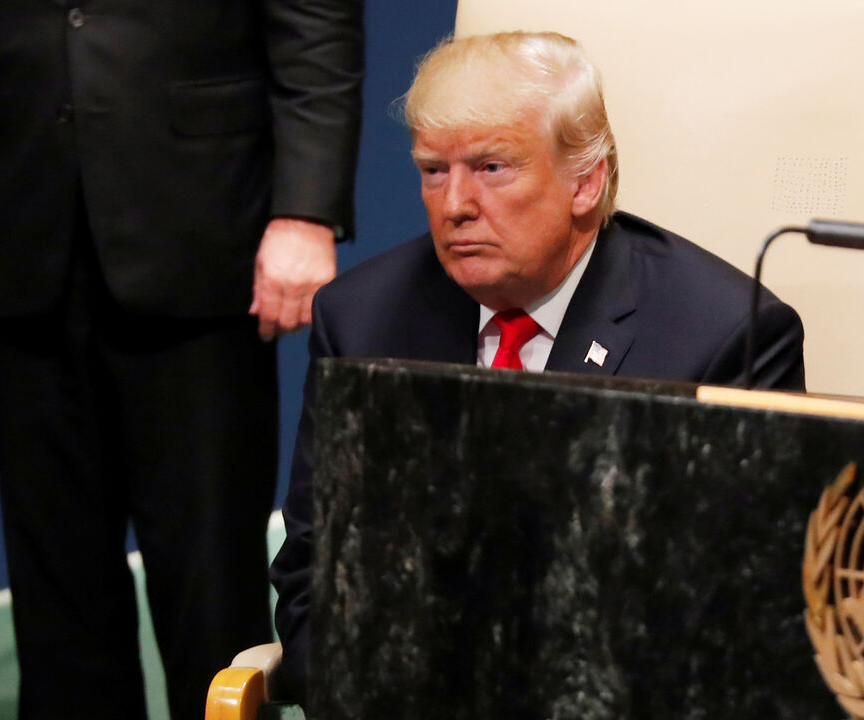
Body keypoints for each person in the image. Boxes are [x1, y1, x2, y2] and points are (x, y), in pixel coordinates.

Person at [269, 30, 804, 705]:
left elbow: (742, 619)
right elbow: (312, 581)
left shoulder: (726, 338)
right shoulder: (362, 319)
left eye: (492, 167)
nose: (456, 203)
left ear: (587, 181)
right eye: (434, 170)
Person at [0, 2, 362, 719]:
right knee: (53, 581)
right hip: (11, 227)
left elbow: (316, 29)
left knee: (210, 579)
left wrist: (304, 209)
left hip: (202, 231)